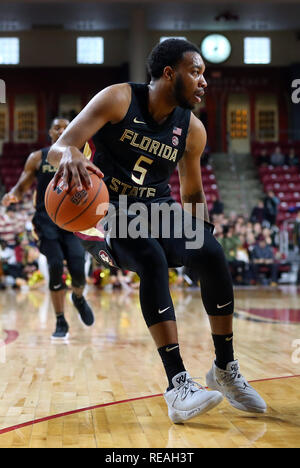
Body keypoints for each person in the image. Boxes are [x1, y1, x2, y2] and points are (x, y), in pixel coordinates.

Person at [47, 39, 266, 423]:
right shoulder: (117, 99)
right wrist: (70, 153)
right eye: (195, 72)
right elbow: (61, 147)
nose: (203, 82)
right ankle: (178, 384)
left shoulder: (192, 129)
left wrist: (199, 243)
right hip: (105, 210)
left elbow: (193, 190)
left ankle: (225, 369)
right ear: (169, 73)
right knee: (151, 257)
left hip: (158, 209)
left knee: (212, 252)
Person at [2, 117, 94, 340]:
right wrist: (13, 194)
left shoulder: (82, 156)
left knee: (78, 271)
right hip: (46, 220)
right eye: (57, 127)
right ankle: (61, 319)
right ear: (50, 133)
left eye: (66, 127)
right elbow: (22, 185)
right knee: (54, 266)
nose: (62, 130)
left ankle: (79, 298)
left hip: (72, 221)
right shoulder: (38, 157)